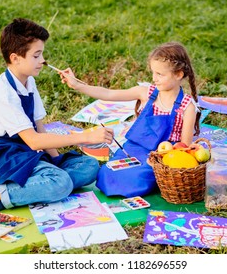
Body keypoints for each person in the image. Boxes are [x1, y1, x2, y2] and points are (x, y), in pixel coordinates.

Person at [0, 18, 114, 223]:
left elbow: (39, 128)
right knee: (61, 184)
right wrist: (85, 137)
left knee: (89, 166)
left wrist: (56, 160)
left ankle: (13, 193)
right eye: (36, 55)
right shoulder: (3, 92)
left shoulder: (28, 82)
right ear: (16, 58)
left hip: (24, 149)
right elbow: (35, 141)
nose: (43, 61)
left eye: (42, 54)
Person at [60, 42, 201, 197]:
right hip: (135, 148)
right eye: (153, 73)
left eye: (160, 74)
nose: (154, 79)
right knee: (107, 172)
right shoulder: (147, 93)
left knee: (137, 179)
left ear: (178, 74)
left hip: (163, 155)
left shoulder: (187, 106)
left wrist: (161, 160)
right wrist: (77, 85)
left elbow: (184, 146)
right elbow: (108, 94)